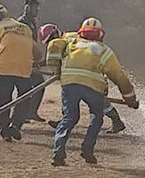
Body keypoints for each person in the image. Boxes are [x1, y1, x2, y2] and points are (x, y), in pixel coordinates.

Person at [50, 17, 139, 167]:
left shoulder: (72, 42)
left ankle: (58, 153)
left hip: (69, 83)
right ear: (100, 35)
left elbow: (53, 44)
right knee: (97, 116)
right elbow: (119, 76)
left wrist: (56, 70)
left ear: (81, 32)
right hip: (93, 87)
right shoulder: (104, 50)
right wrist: (130, 98)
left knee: (69, 118)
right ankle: (87, 150)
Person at [42, 25, 127, 134]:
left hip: (90, 72)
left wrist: (58, 71)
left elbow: (61, 59)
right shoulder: (70, 37)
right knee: (89, 97)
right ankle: (116, 120)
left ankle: (116, 120)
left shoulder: (64, 40)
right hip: (92, 69)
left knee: (98, 100)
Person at [0, 1, 40, 142]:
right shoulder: (25, 28)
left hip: (3, 69)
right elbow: (36, 52)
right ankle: (15, 125)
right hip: (24, 69)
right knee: (24, 99)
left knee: (3, 101)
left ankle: (5, 131)